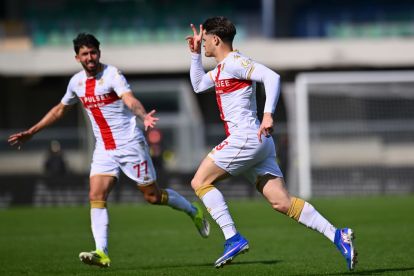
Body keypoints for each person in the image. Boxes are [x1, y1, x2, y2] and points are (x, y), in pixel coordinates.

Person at [8, 33, 210, 268]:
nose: (90, 57)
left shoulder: (112, 74)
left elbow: (130, 99)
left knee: (153, 197)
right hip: (104, 149)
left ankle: (191, 210)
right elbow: (59, 110)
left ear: (99, 53)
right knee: (96, 196)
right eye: (85, 54)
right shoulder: (76, 83)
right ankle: (101, 252)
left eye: (93, 52)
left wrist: (143, 115)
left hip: (130, 145)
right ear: (77, 58)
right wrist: (32, 131)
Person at [186, 16, 357, 270]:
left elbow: (272, 77)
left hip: (245, 138)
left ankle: (233, 237)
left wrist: (268, 114)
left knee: (199, 182)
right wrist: (194, 56)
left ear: (215, 39)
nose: (203, 45)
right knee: (282, 202)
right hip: (257, 142)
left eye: (205, 40)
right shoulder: (222, 68)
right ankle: (337, 235)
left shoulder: (235, 61)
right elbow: (199, 85)